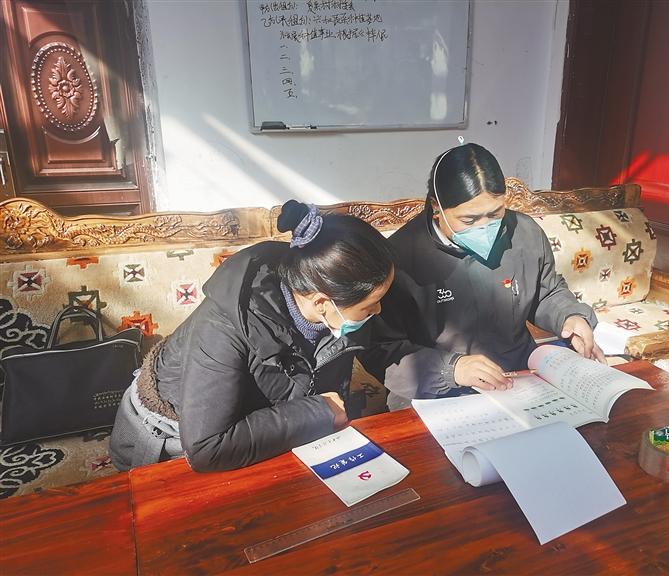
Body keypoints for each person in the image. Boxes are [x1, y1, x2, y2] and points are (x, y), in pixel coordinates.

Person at [109, 200, 395, 472]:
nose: (379, 310)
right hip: (166, 439)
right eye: (370, 305)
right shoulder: (224, 324)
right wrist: (318, 412)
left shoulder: (335, 301)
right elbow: (206, 448)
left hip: (265, 431)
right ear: (322, 302)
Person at [361, 143, 605, 410]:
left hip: (517, 376)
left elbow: (546, 291)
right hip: (433, 390)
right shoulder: (399, 258)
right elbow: (380, 349)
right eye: (469, 220)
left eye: (495, 214)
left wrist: (569, 316)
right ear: (436, 208)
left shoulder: (524, 233)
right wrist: (451, 369)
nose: (486, 227)